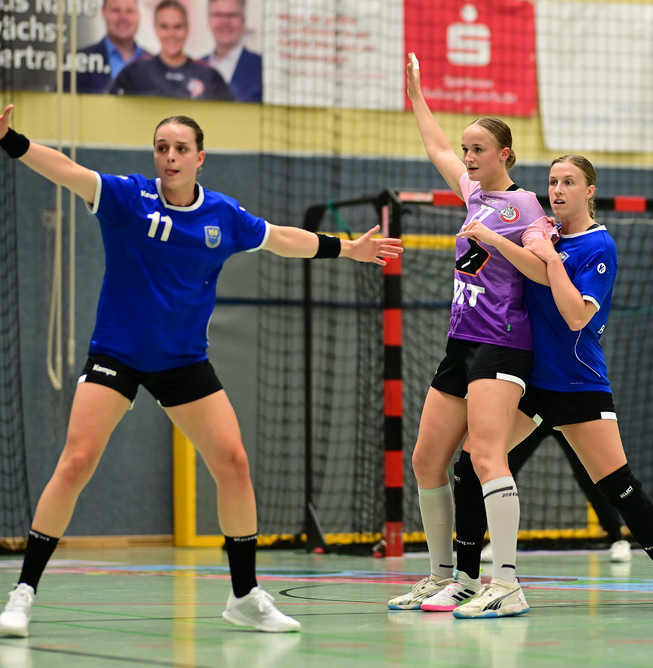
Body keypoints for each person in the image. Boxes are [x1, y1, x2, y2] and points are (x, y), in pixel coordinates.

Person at [0, 103, 402, 638]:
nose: (170, 156)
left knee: (233, 463)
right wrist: (11, 140)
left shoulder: (223, 215)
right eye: (162, 147)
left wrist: (346, 248)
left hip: (183, 361)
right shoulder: (124, 197)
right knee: (76, 460)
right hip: (117, 354)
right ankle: (22, 593)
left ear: (199, 158)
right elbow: (65, 169)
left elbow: (280, 237)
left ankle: (244, 596)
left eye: (181, 148)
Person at [422, 154, 653, 613]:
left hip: (578, 385)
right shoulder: (545, 233)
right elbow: (523, 265)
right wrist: (504, 243)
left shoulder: (598, 247)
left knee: (619, 485)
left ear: (589, 190)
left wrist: (551, 261)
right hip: (532, 385)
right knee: (471, 466)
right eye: (553, 182)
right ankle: (466, 579)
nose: (557, 191)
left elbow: (577, 315)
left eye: (569, 182)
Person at [386, 53, 546, 619]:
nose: (468, 157)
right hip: (462, 343)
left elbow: (542, 269)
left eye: (478, 149)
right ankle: (443, 577)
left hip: (503, 343)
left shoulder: (525, 206)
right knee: (427, 458)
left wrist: (507, 241)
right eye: (466, 149)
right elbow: (435, 148)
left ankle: (505, 582)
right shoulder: (474, 196)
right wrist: (417, 97)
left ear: (505, 154)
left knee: (484, 455)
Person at [479, 421, 632, 564]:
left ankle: (618, 540)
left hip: (564, 410)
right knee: (503, 469)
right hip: (534, 410)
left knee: (588, 475)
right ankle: (499, 544)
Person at [109, 0, 235, 101]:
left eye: (177, 27)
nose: (171, 34)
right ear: (156, 28)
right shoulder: (134, 72)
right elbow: (111, 110)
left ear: (187, 28)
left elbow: (228, 118)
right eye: (164, 27)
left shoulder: (208, 75)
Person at [66, 0, 151, 93]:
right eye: (116, 10)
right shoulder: (77, 61)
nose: (123, 18)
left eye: (129, 11)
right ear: (103, 11)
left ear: (138, 15)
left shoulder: (155, 64)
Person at [201, 0, 262, 103]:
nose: (225, 22)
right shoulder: (196, 68)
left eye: (232, 15)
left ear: (243, 21)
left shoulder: (262, 68)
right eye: (218, 15)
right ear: (209, 20)